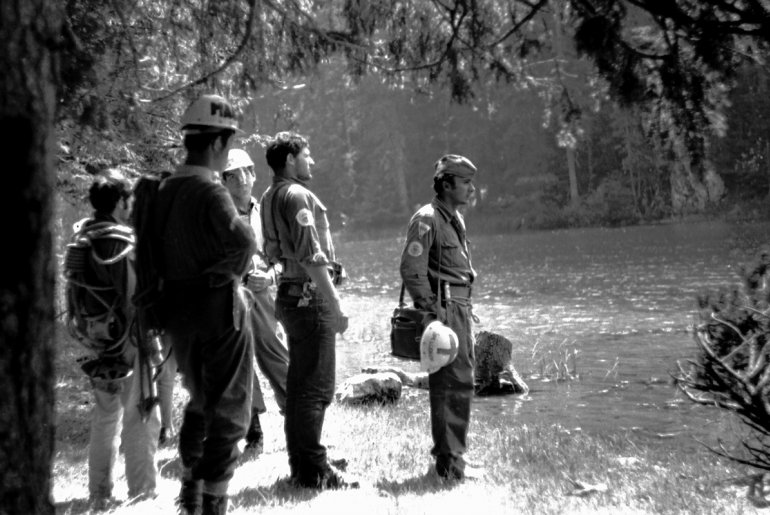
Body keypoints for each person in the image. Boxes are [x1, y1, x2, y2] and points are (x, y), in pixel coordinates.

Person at [154, 94, 256, 514]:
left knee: (198, 402)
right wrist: (225, 273)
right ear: (217, 144)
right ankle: (213, 503)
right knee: (231, 411)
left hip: (179, 315)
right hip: (219, 312)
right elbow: (245, 241)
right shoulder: (210, 191)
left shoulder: (164, 189)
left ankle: (189, 497)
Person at [260, 131, 353, 489]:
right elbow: (312, 257)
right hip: (308, 298)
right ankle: (314, 471)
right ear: (289, 160)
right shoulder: (295, 195)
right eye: (306, 155)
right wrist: (337, 302)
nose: (311, 161)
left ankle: (303, 465)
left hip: (288, 296)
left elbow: (275, 253)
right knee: (315, 389)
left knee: (300, 388)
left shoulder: (269, 196)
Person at [64, 168, 160, 509]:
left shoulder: (83, 239)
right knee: (142, 415)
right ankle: (143, 492)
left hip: (99, 339)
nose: (131, 205)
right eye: (128, 199)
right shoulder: (120, 243)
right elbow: (137, 296)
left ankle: (98, 491)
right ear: (120, 201)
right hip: (131, 341)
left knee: (105, 416)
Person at [399, 154, 480, 481]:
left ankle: (454, 457)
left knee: (462, 382)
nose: (471, 189)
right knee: (449, 386)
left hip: (459, 308)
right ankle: (448, 465)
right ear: (446, 184)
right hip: (445, 310)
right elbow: (411, 268)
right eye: (465, 182)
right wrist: (433, 310)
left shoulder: (454, 218)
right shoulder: (427, 219)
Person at [222, 148, 290, 451]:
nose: (242, 180)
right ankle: (253, 429)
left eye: (246, 172)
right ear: (223, 180)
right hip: (229, 296)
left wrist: (272, 276)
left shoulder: (265, 211)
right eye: (233, 175)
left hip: (262, 292)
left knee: (276, 354)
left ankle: (298, 416)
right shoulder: (216, 215)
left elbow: (283, 257)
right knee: (239, 363)